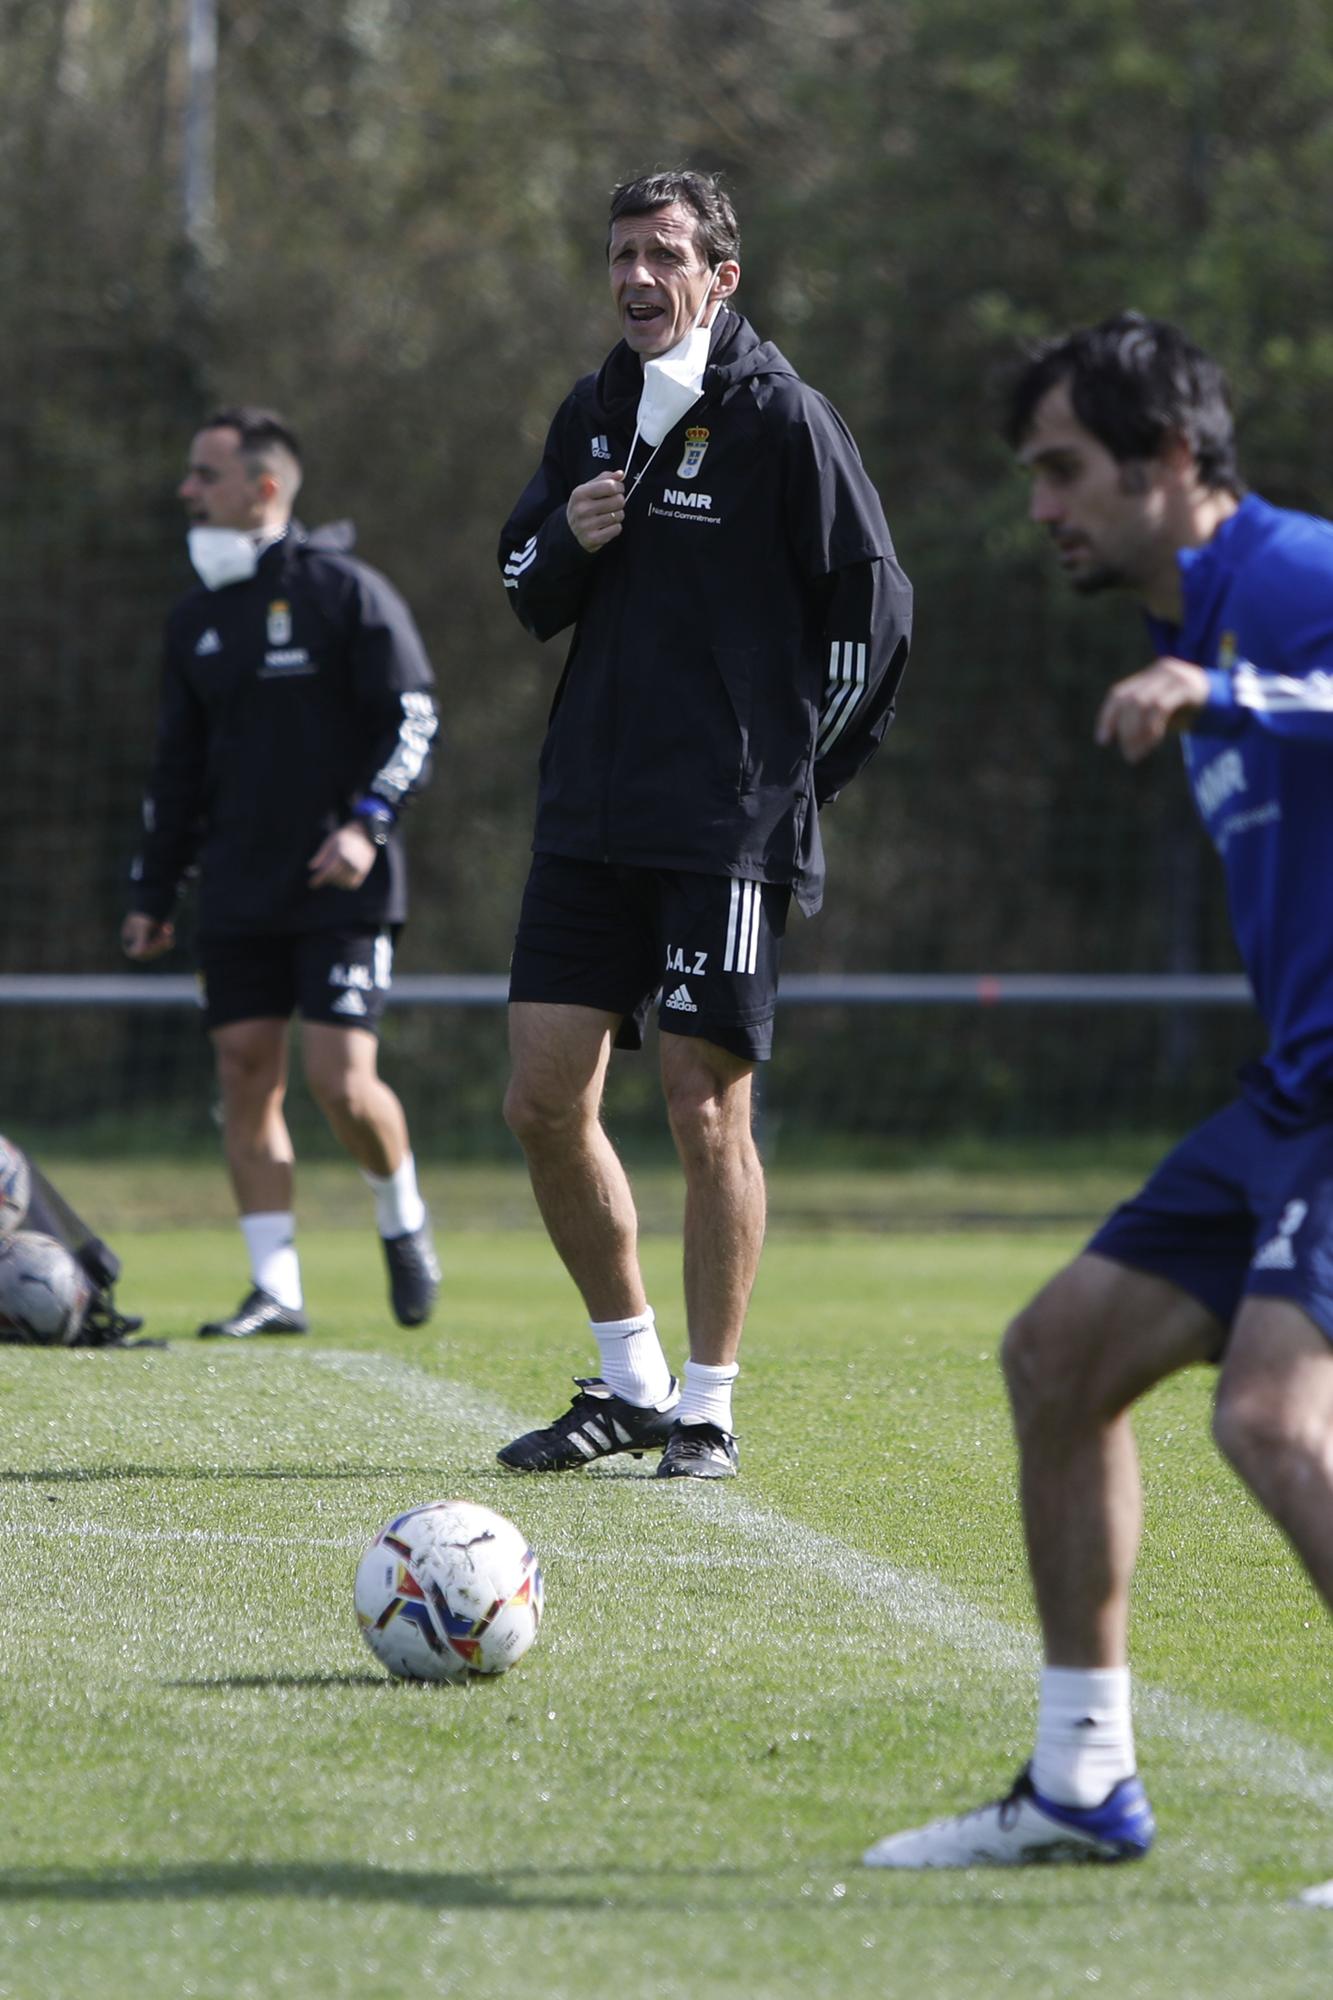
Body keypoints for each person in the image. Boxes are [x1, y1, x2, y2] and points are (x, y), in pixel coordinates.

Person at [864, 313, 1333, 1886]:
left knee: (1272, 1420)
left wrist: (1244, 698)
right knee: (1057, 1359)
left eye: (1064, 471)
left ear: (1173, 463)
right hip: (1296, 1096)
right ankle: (1080, 1784)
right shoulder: (1190, 625)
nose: (1041, 507)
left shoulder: (1285, 581)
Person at [495, 170, 912, 1479]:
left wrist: (798, 787)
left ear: (720, 277)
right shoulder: (595, 411)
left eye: (663, 254)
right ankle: (629, 1380)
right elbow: (520, 584)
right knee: (541, 1099)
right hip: (589, 814)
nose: (635, 276)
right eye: (621, 252)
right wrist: (569, 535)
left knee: (699, 1108)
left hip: (724, 825)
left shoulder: (782, 419)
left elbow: (878, 613)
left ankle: (710, 1403)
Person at [123, 406, 441, 1339]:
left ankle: (401, 1218)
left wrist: (367, 825)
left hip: (342, 884)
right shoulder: (194, 618)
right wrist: (152, 892)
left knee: (341, 1081)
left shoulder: (346, 591)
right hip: (235, 888)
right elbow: (175, 769)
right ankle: (277, 1288)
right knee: (244, 1072)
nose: (186, 489)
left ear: (261, 486)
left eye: (203, 474)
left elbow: (414, 721)